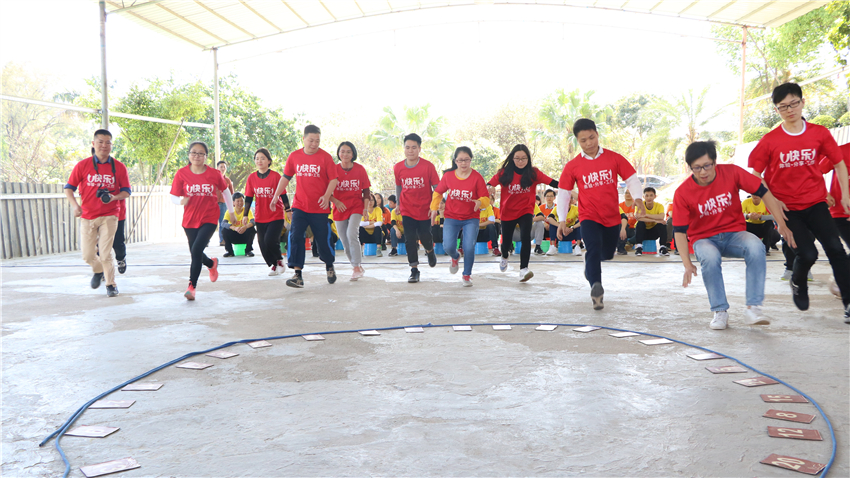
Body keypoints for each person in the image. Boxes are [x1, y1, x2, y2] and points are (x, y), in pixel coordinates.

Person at [748, 82, 850, 320]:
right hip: (788, 208)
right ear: (777, 110)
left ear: (803, 102)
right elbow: (755, 176)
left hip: (816, 203)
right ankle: (798, 281)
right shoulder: (770, 140)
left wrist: (844, 194)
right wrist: (772, 201)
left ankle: (848, 303)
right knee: (807, 254)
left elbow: (839, 163)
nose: (790, 110)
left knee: (836, 250)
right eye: (783, 106)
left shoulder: (819, 133)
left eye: (794, 103)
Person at [676, 141, 792, 330]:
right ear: (690, 167)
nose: (703, 172)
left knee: (756, 246)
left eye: (707, 166)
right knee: (710, 257)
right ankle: (720, 311)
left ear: (714, 161)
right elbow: (679, 231)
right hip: (704, 239)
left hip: (734, 235)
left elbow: (763, 192)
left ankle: (753, 308)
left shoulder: (731, 172)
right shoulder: (683, 192)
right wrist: (687, 265)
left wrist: (782, 225)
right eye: (696, 168)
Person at [557, 118, 645, 309]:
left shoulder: (613, 158)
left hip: (612, 217)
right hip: (589, 216)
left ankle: (589, 265)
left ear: (597, 134)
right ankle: (597, 290)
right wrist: (562, 219)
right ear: (577, 141)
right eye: (583, 140)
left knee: (606, 254)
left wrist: (638, 198)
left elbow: (631, 179)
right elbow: (563, 193)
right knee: (594, 247)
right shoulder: (573, 166)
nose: (589, 143)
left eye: (591, 137)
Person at [64, 129, 132, 297]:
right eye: (100, 142)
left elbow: (127, 191)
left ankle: (111, 285)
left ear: (111, 146)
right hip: (87, 216)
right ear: (93, 144)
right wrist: (75, 206)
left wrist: (113, 197)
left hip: (110, 215)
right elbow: (68, 188)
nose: (104, 145)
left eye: (108, 142)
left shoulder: (119, 167)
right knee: (87, 255)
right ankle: (98, 269)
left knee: (105, 251)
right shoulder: (82, 165)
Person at [272, 125, 339, 288]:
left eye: (317, 141)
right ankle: (298, 275)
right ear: (304, 139)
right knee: (295, 236)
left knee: (323, 241)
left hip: (320, 208)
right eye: (311, 140)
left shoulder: (325, 157)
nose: (314, 144)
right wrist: (275, 197)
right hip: (300, 206)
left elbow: (334, 179)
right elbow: (286, 178)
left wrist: (326, 196)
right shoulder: (294, 156)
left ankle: (329, 265)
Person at [169, 141, 234, 300]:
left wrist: (231, 212)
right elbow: (173, 196)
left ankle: (192, 287)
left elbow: (225, 192)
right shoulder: (181, 173)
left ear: (206, 156)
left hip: (209, 217)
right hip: (190, 220)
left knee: (196, 250)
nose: (197, 156)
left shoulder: (214, 173)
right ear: (189, 155)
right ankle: (211, 264)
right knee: (195, 252)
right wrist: (180, 201)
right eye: (193, 153)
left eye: (201, 153)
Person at [488, 144, 558, 282]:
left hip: (525, 210)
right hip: (507, 212)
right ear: (512, 158)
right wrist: (489, 187)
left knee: (526, 238)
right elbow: (490, 183)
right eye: (517, 158)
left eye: (523, 158)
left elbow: (552, 182)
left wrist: (568, 185)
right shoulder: (504, 173)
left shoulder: (533, 173)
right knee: (506, 241)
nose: (520, 161)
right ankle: (504, 257)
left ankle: (523, 269)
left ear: (528, 159)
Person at [430, 147, 489, 287]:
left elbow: (485, 197)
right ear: (455, 161)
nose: (463, 163)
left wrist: (480, 202)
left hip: (471, 217)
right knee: (448, 246)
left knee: (469, 247)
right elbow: (438, 193)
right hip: (452, 216)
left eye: (466, 160)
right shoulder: (449, 176)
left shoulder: (477, 177)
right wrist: (434, 208)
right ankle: (455, 256)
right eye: (460, 160)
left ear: (470, 160)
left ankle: (467, 275)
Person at [393, 133, 441, 283]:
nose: (410, 150)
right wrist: (399, 204)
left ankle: (430, 250)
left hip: (424, 209)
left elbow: (437, 188)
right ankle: (414, 269)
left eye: (414, 147)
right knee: (410, 238)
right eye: (407, 147)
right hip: (407, 209)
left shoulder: (428, 166)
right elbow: (399, 186)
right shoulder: (398, 167)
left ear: (419, 149)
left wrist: (434, 207)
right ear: (404, 149)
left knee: (425, 236)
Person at [244, 148, 289, 277]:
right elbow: (248, 197)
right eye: (257, 158)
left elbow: (284, 195)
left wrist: (288, 210)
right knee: (262, 244)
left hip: (275, 215)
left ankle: (279, 260)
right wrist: (246, 215)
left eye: (263, 158)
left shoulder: (275, 176)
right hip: (260, 215)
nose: (259, 161)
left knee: (270, 240)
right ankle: (273, 264)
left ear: (269, 161)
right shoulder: (252, 178)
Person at [330, 141, 371, 280]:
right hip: (339, 208)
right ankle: (357, 266)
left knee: (351, 233)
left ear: (353, 154)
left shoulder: (360, 169)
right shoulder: (333, 169)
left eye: (348, 151)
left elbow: (366, 192)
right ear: (338, 153)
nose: (345, 154)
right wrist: (336, 201)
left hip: (356, 206)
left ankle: (356, 266)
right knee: (344, 241)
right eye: (342, 151)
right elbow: (326, 192)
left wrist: (365, 209)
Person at [634, 187, 669, 256]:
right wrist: (655, 220)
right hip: (641, 232)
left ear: (655, 196)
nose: (649, 198)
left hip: (654, 232)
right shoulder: (639, 205)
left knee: (662, 224)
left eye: (651, 195)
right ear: (643, 196)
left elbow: (661, 217)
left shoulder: (659, 206)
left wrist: (645, 215)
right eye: (646, 195)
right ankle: (639, 247)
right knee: (640, 223)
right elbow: (639, 218)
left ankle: (662, 247)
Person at [222, 192, 256, 257]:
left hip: (245, 236)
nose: (240, 203)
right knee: (224, 230)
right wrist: (235, 228)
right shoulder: (229, 212)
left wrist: (245, 227)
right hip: (234, 236)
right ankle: (230, 252)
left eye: (242, 201)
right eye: (238, 201)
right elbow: (223, 223)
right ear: (233, 202)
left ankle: (248, 251)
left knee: (252, 229)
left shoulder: (247, 211)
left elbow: (253, 221)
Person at [215, 161, 234, 246]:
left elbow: (231, 193)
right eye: (221, 167)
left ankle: (222, 240)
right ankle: (205, 241)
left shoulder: (228, 180)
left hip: (223, 204)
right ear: (217, 168)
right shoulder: (212, 178)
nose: (223, 169)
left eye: (224, 167)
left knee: (223, 222)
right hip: (212, 204)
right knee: (209, 223)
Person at [617, 189, 637, 255]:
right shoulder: (619, 205)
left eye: (630, 193)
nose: (628, 194)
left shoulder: (637, 205)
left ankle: (629, 242)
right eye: (626, 193)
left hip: (634, 229)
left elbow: (624, 217)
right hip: (624, 229)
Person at [113, 198, 128, 274]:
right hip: (97, 214)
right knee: (99, 244)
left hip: (117, 214)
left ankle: (121, 258)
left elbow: (126, 191)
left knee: (117, 242)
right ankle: (101, 269)